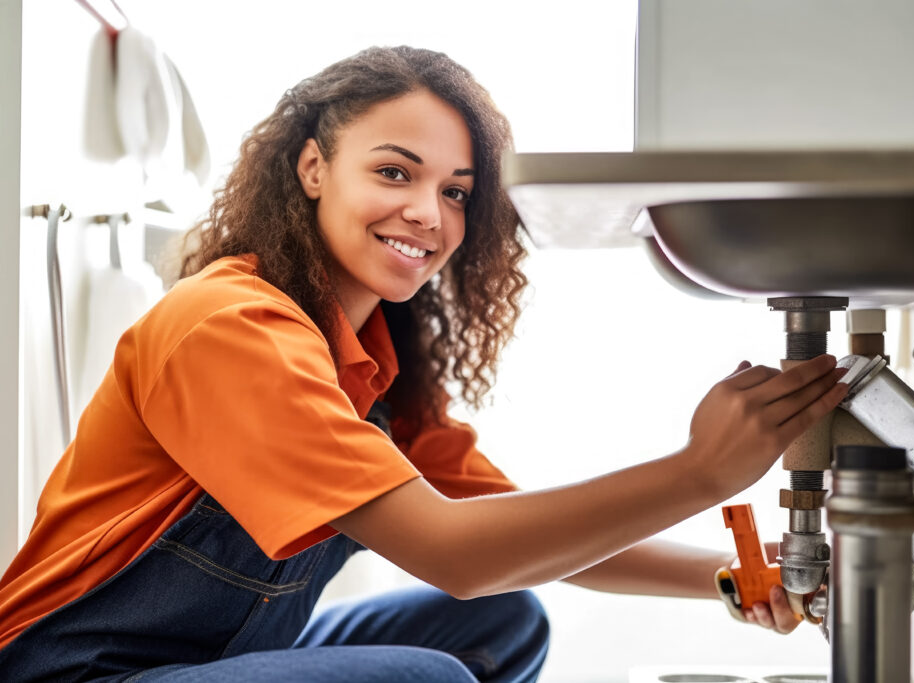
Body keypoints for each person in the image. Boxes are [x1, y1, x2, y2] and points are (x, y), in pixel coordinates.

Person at [0, 46, 848, 682]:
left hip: (219, 658)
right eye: (395, 172)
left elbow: (516, 536)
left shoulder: (371, 359)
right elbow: (457, 552)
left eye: (455, 190)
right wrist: (701, 471)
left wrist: (731, 578)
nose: (428, 213)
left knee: (506, 618)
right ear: (312, 168)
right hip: (77, 675)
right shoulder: (231, 328)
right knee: (424, 679)